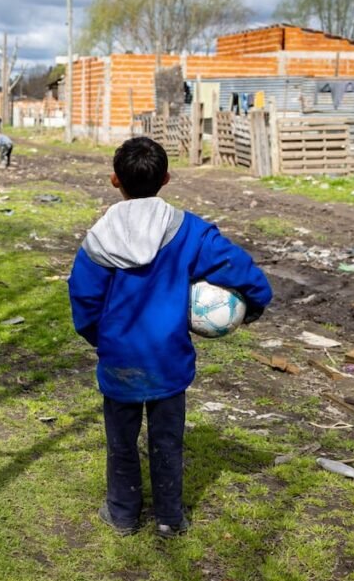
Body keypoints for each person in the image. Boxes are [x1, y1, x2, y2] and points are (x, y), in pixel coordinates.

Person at [67, 136, 272, 539]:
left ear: (114, 180)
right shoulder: (190, 232)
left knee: (121, 442)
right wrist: (255, 303)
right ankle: (169, 519)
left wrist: (102, 339)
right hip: (168, 360)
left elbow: (84, 299)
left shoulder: (97, 240)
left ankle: (123, 515)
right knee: (167, 442)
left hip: (120, 360)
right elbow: (239, 266)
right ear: (166, 178)